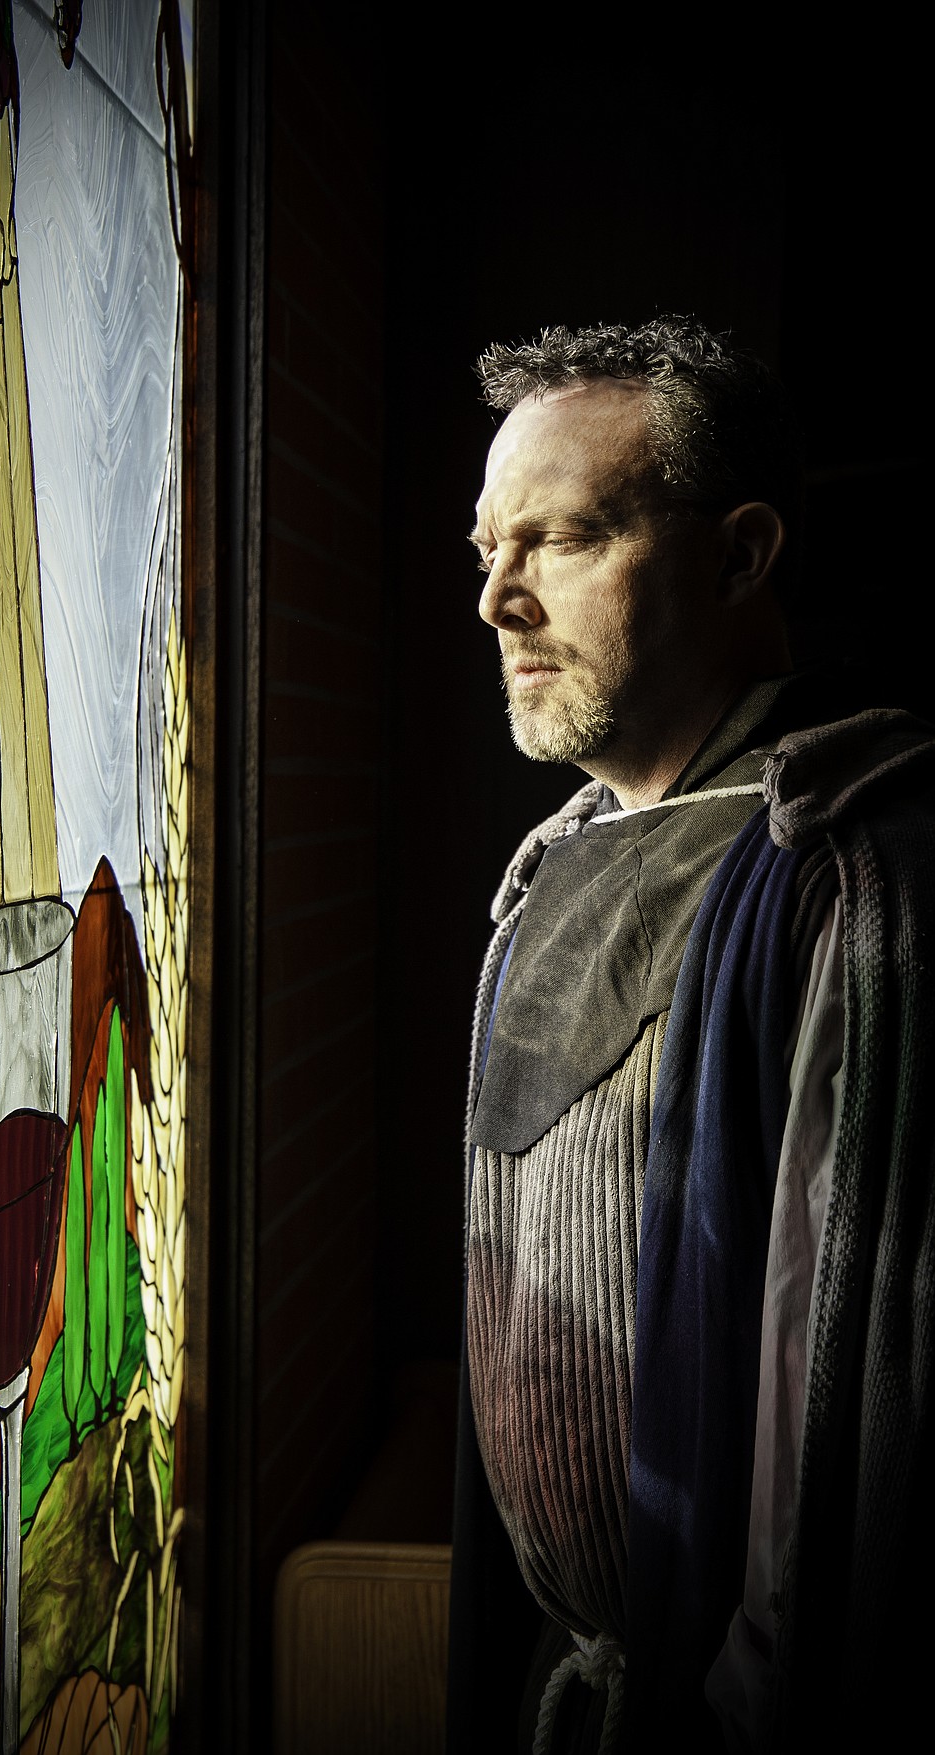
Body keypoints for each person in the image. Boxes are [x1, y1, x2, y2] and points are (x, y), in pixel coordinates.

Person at [445, 317, 935, 1753]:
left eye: (562, 539)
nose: (496, 602)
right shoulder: (551, 862)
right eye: (485, 547)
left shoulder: (844, 867)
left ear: (737, 557)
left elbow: (852, 1434)